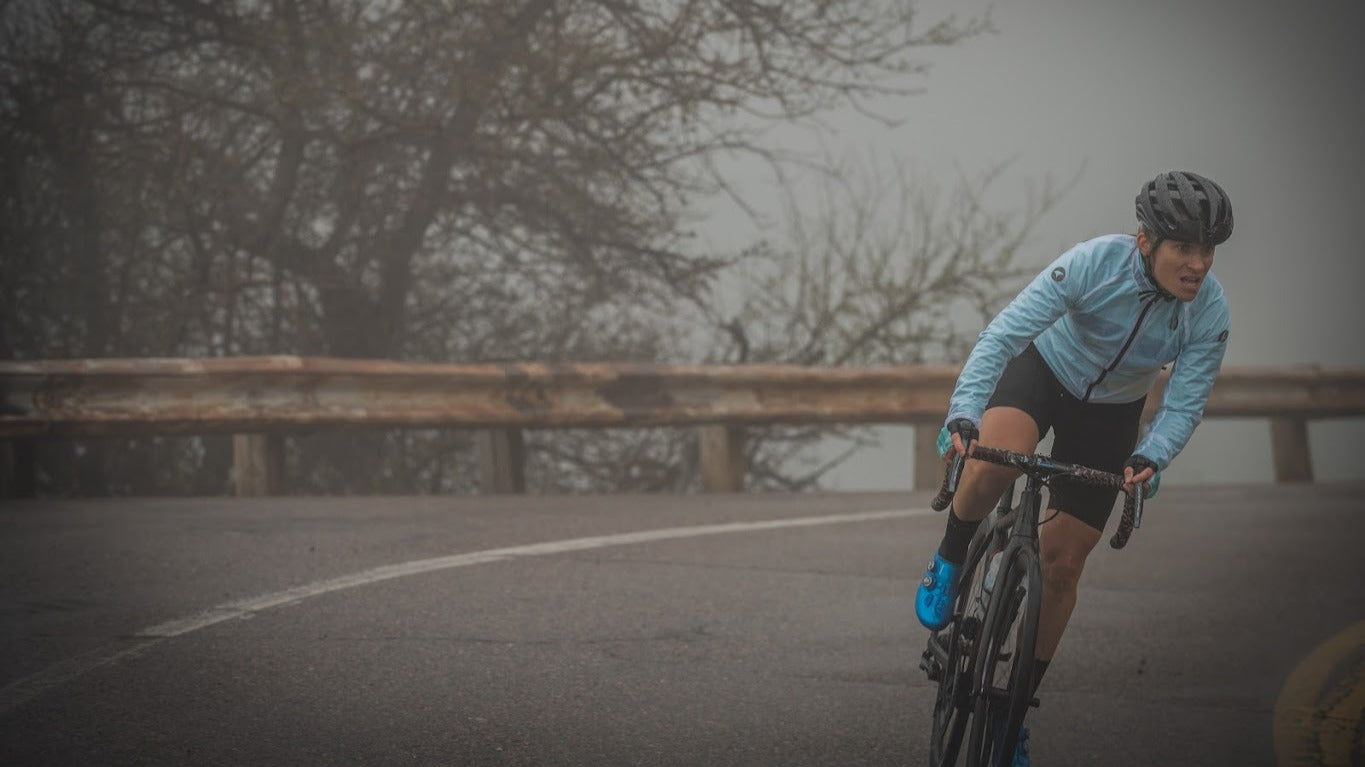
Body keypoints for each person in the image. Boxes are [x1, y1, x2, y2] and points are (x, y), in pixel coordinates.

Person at [915, 170, 1234, 765]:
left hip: (1112, 414)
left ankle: (1013, 716)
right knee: (991, 465)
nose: (1197, 264)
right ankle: (951, 555)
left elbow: (1185, 400)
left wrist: (1151, 455)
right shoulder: (1091, 263)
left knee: (1063, 565)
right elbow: (1004, 335)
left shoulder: (1208, 312)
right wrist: (963, 412)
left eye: (1207, 250)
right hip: (1046, 375)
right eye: (1184, 248)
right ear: (1146, 241)